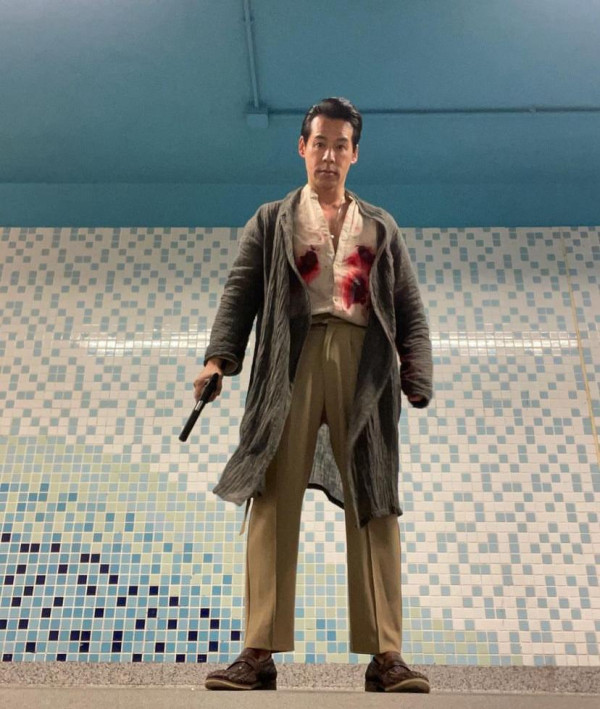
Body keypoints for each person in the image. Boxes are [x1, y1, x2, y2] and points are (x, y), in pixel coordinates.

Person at [193, 97, 433, 693]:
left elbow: (408, 307)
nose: (329, 154)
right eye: (319, 142)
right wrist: (218, 359)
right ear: (302, 147)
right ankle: (258, 652)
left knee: (375, 499)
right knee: (272, 496)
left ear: (355, 154)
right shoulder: (272, 220)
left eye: (340, 145)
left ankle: (386, 655)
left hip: (363, 365)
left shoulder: (379, 226)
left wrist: (416, 371)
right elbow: (240, 293)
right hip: (288, 361)